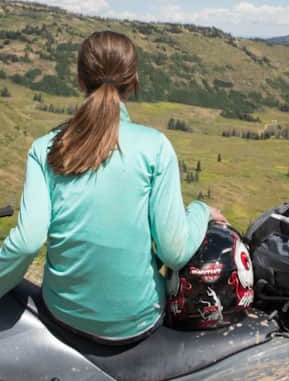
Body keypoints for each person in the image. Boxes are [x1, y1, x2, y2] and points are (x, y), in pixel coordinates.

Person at [0, 31, 226, 344]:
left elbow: (26, 242)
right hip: (138, 320)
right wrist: (201, 210)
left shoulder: (45, 148)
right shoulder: (156, 147)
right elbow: (174, 252)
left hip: (63, 316)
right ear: (133, 82)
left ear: (80, 81)